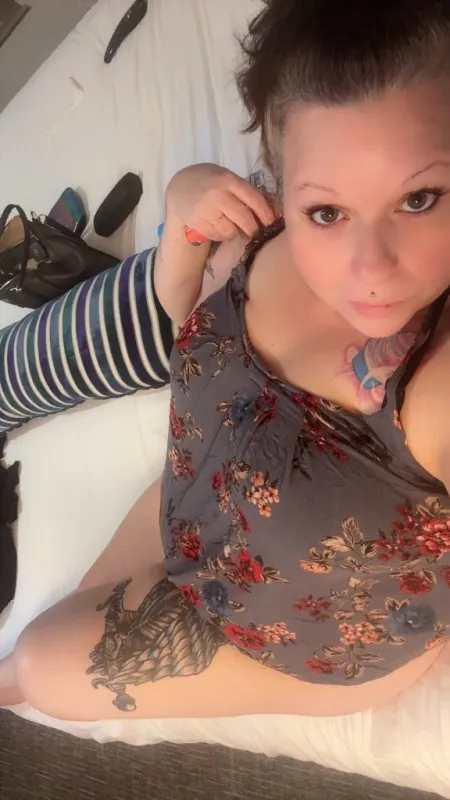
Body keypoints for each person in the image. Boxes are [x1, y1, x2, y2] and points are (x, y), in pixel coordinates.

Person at [2, 0, 450, 721]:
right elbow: (182, 314)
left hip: (301, 635)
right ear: (281, 179)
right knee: (47, 640)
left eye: (420, 198)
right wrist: (182, 216)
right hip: (194, 495)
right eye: (327, 212)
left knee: (41, 667)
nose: (371, 268)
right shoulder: (254, 234)